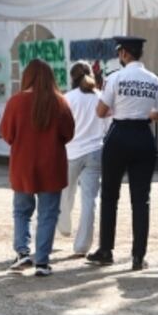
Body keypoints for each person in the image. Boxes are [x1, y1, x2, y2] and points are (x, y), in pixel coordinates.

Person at [87, 36, 158, 271]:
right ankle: (138, 256)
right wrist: (144, 112)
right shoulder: (154, 80)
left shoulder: (115, 78)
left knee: (110, 196)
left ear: (123, 54)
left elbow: (100, 112)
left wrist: (120, 108)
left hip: (119, 136)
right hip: (144, 136)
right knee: (141, 199)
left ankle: (106, 250)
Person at [0, 59, 75, 276]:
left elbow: (6, 134)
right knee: (48, 214)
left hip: (23, 165)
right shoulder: (60, 102)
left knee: (22, 211)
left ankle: (23, 252)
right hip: (52, 165)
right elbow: (69, 133)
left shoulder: (15, 102)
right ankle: (42, 262)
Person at [58, 61, 109, 256]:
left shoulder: (67, 98)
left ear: (72, 77)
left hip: (71, 151)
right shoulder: (101, 98)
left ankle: (64, 225)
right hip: (96, 151)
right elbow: (107, 126)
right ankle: (82, 246)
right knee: (90, 200)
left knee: (65, 192)